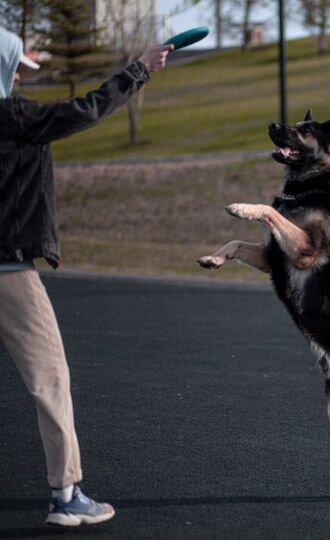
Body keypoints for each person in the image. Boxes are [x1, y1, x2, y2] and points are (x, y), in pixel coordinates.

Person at [0, 26, 173, 527]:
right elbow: (89, 109)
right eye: (15, 66)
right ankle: (66, 494)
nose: (18, 74)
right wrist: (139, 68)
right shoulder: (17, 118)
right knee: (50, 379)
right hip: (9, 274)